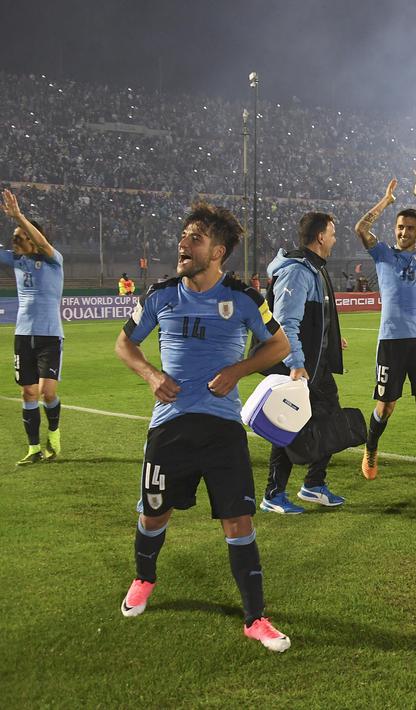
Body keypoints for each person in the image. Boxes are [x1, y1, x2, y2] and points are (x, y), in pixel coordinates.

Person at [114, 201, 293, 651]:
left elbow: (279, 344)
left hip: (221, 428)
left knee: (238, 520)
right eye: (184, 236)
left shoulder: (244, 298)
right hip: (169, 426)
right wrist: (151, 374)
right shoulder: (160, 295)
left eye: (195, 238)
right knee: (153, 512)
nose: (183, 244)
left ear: (218, 252)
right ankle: (144, 578)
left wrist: (240, 369)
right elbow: (124, 343)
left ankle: (255, 618)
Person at [354, 171, 416, 491]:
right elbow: (361, 228)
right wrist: (387, 200)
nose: (403, 232)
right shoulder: (382, 252)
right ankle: (370, 450)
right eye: (400, 227)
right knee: (386, 406)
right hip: (392, 341)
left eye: (410, 228)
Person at [260, 211, 349, 514]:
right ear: (321, 236)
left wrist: (330, 338)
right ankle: (274, 494)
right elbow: (286, 323)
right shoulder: (298, 271)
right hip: (300, 366)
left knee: (326, 419)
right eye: (333, 233)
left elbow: (313, 318)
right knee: (288, 423)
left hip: (316, 364)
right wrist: (296, 363)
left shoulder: (314, 268)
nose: (335, 238)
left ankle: (312, 484)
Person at [1, 189, 65, 465]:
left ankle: (54, 431)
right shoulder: (16, 260)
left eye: (19, 236)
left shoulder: (53, 259)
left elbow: (41, 242)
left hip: (49, 336)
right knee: (28, 392)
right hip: (22, 336)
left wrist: (19, 216)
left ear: (33, 239)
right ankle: (33, 448)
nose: (13, 240)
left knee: (47, 393)